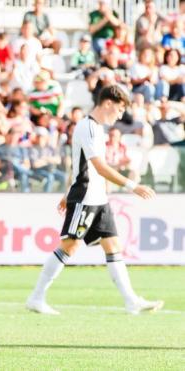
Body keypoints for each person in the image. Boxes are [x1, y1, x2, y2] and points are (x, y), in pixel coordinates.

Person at [26, 84, 164, 315]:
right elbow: (99, 167)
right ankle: (36, 297)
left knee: (113, 246)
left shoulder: (97, 129)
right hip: (87, 196)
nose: (120, 116)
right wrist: (133, 186)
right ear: (108, 103)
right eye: (119, 110)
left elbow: (81, 165)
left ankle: (131, 301)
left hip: (99, 198)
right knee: (70, 246)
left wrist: (66, 192)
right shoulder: (88, 127)